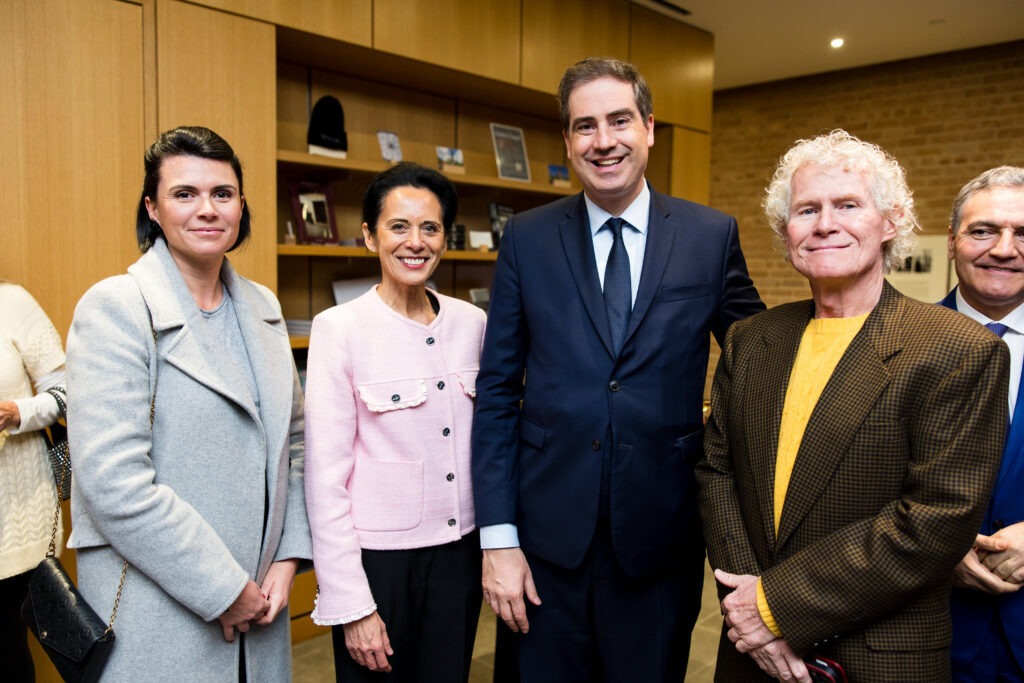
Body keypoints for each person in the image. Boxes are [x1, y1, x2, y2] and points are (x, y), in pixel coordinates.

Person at [471, 57, 764, 682]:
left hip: (661, 537)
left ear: (650, 127)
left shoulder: (710, 236)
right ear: (568, 142)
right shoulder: (526, 237)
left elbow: (758, 360)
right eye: (585, 126)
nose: (603, 141)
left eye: (619, 120)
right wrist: (498, 539)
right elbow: (496, 392)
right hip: (545, 544)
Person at [697, 129, 1009, 682]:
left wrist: (772, 606)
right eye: (806, 209)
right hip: (748, 648)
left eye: (847, 205)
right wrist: (745, 607)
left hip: (877, 655)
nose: (824, 224)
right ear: (785, 229)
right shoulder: (751, 339)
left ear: (890, 222)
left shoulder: (958, 349)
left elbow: (934, 521)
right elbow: (716, 473)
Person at [66, 126, 311, 682]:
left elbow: (296, 444)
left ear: (241, 206)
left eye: (222, 194)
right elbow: (114, 483)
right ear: (152, 208)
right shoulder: (117, 308)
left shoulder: (263, 306)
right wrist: (223, 589)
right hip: (160, 614)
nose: (207, 209)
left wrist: (289, 558)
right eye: (185, 194)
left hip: (262, 608)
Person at [304, 162, 486, 682]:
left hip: (459, 554)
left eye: (429, 227)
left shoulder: (473, 323)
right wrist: (351, 602)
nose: (415, 242)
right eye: (398, 226)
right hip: (379, 563)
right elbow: (324, 478)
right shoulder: (339, 328)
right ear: (369, 235)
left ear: (445, 239)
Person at [942, 166, 1024, 681]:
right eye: (983, 230)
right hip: (930, 636)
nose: (1004, 248)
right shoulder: (887, 348)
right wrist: (936, 549)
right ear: (952, 242)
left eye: (1023, 234)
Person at [0, 283, 68, 682]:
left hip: (18, 524)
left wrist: (16, 412)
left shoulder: (14, 302)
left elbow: (67, 393)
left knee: (7, 654)